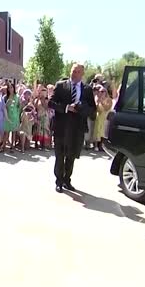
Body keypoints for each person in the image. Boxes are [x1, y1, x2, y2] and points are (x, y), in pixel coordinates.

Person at [49, 63, 95, 192]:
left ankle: (67, 180)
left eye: (78, 72)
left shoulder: (87, 89)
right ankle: (58, 181)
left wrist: (83, 109)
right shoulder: (61, 85)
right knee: (60, 156)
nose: (74, 74)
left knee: (71, 157)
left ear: (82, 74)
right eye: (73, 71)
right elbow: (51, 103)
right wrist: (66, 108)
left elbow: (93, 110)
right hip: (61, 128)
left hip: (77, 129)